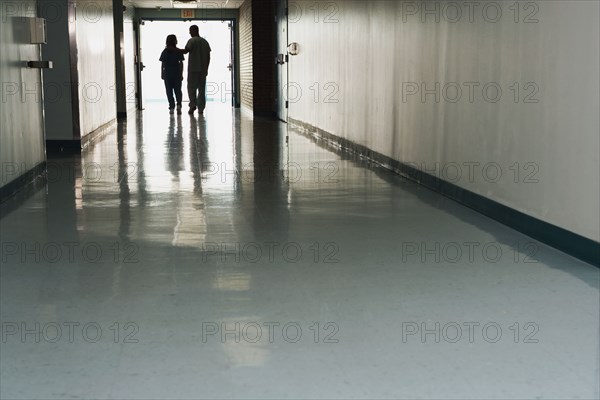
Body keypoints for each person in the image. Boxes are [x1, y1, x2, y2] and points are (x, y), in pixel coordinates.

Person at [183, 25, 211, 115]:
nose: (189, 33)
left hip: (193, 69)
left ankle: (192, 106)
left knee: (191, 88)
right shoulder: (205, 42)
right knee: (202, 89)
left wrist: (174, 50)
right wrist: (206, 68)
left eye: (190, 31)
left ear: (194, 30)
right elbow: (208, 57)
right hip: (203, 69)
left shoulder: (192, 40)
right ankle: (201, 108)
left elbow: (186, 50)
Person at [159, 34, 184, 114]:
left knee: (169, 91)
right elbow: (181, 63)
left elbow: (163, 63)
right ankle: (179, 105)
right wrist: (181, 73)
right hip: (176, 73)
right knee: (178, 90)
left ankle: (172, 107)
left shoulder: (165, 51)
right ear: (175, 41)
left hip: (167, 73)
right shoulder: (178, 51)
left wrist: (162, 73)